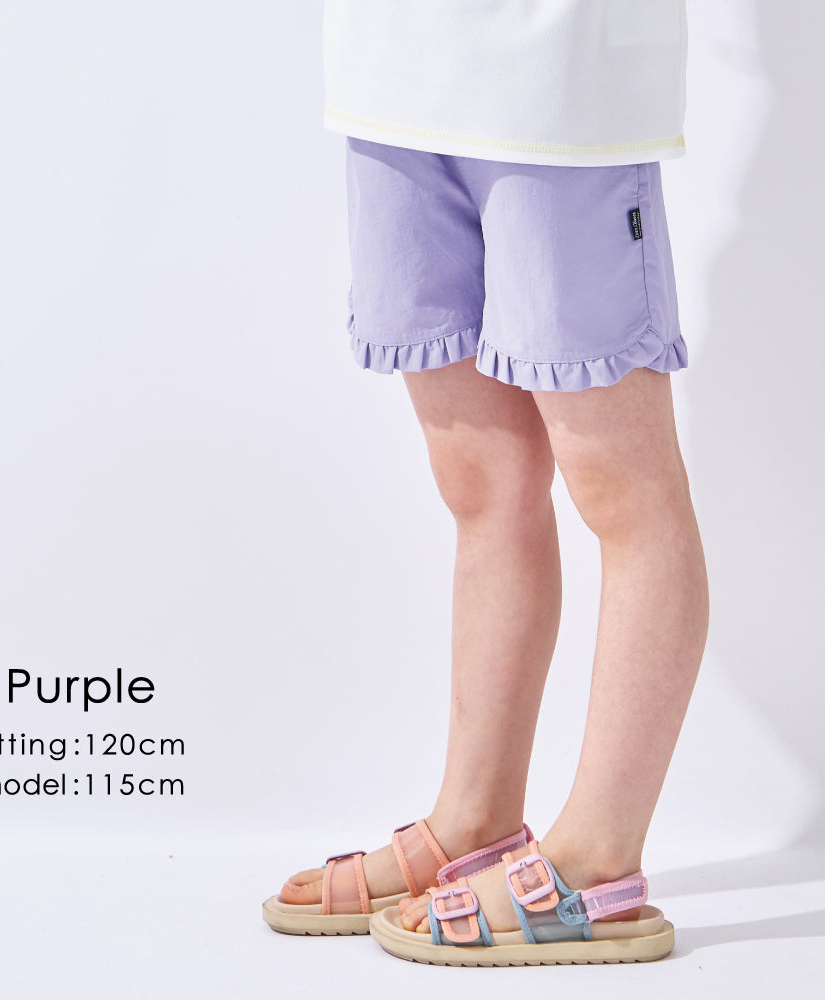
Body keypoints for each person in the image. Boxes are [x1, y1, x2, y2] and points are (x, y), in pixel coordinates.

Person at [263, 0, 708, 966]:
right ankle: (473, 821)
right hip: (390, 71)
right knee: (480, 481)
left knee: (621, 490)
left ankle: (598, 859)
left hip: (562, 84)